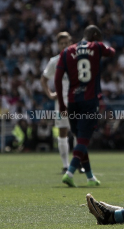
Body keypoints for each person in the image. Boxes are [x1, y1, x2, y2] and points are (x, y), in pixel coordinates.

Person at [55, 25, 115, 187]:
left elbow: (57, 79)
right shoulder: (96, 46)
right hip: (89, 101)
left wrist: (61, 103)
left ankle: (89, 177)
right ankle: (70, 172)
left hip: (72, 102)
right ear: (95, 36)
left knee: (80, 139)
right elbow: (112, 52)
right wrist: (103, 45)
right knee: (83, 140)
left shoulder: (66, 52)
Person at [41, 31, 85, 174]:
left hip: (77, 101)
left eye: (67, 43)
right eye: (62, 43)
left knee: (78, 133)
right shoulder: (54, 61)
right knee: (63, 133)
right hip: (61, 102)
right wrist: (50, 94)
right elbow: (44, 79)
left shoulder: (78, 59)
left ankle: (77, 163)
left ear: (71, 43)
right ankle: (66, 165)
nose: (64, 45)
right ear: (58, 45)